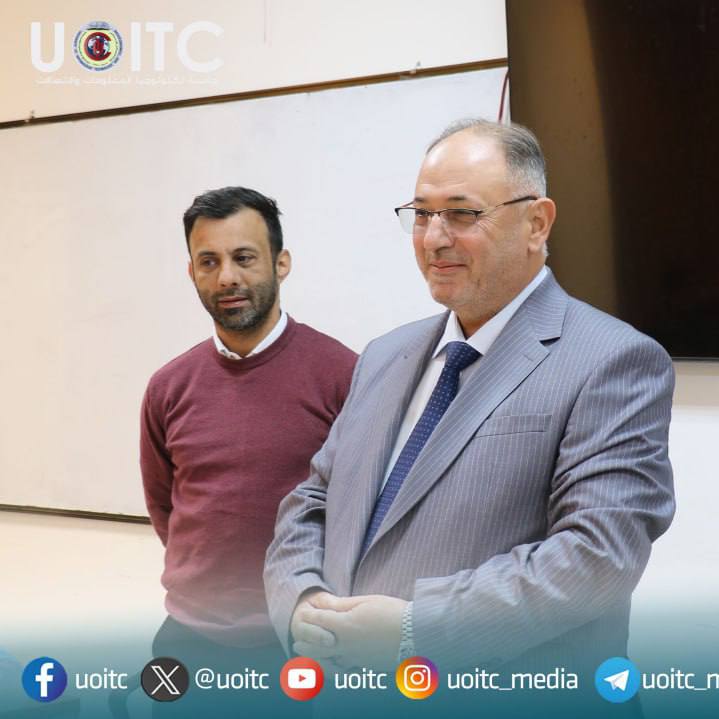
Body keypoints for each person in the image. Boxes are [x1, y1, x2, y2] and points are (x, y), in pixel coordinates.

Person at [263, 120, 676, 680]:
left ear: (537, 222)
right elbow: (312, 502)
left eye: (461, 213)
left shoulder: (613, 359)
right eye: (422, 214)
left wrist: (417, 630)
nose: (433, 238)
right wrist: (300, 601)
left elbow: (598, 555)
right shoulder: (384, 355)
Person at [140, 187, 356, 667]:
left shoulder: (344, 376)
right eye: (209, 262)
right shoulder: (168, 386)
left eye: (244, 258)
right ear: (192, 272)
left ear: (281, 263)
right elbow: (164, 504)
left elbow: (360, 508)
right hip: (188, 632)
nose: (227, 277)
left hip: (298, 635)